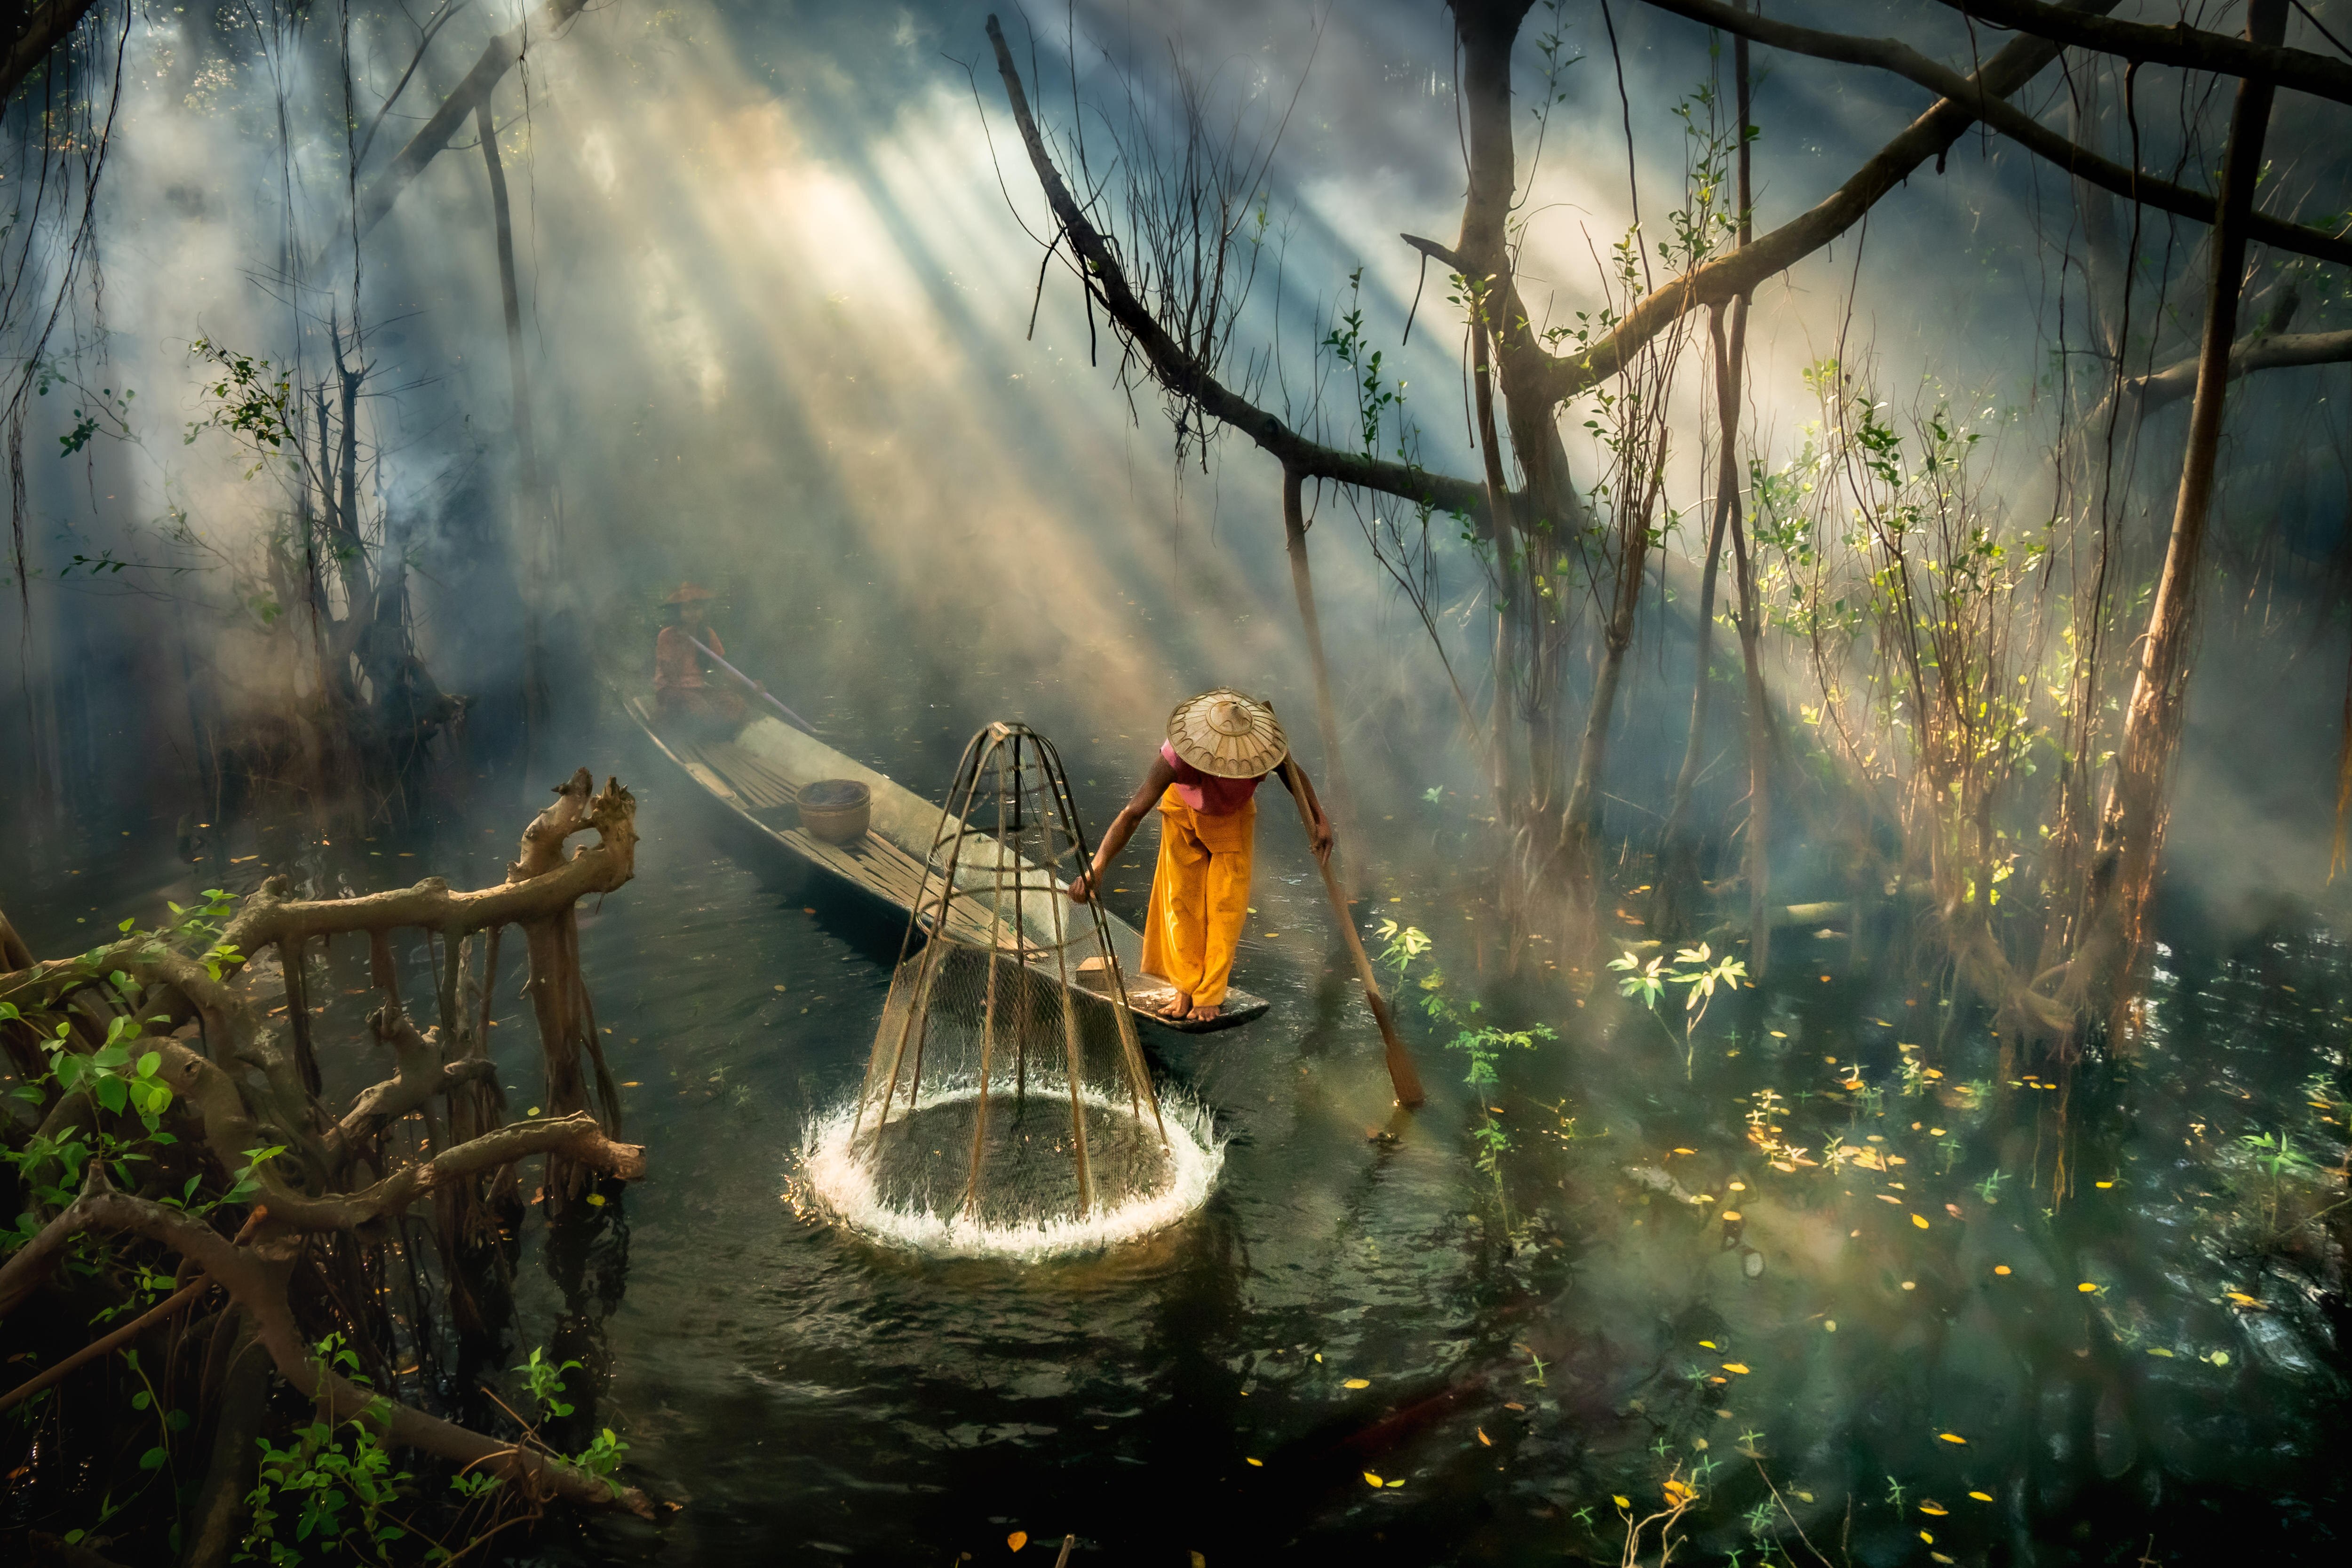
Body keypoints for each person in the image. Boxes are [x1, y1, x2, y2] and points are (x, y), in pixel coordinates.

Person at [1068, 688, 1333, 1022]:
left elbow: (1294, 776)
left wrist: (1319, 818)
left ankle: (1209, 993)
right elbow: (1133, 812)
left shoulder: (1259, 750)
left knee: (1226, 904)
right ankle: (1186, 986)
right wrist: (1098, 865)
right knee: (1181, 899)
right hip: (1184, 813)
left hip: (1233, 817)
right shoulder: (1180, 755)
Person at [653, 582, 751, 737]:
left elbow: (723, 668)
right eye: (687, 609)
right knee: (699, 709)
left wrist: (750, 686)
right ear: (678, 613)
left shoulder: (708, 634)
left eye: (697, 608)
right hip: (670, 689)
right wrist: (683, 643)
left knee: (735, 704)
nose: (693, 613)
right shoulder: (667, 636)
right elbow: (670, 673)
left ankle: (712, 733)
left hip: (698, 690)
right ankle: (684, 727)